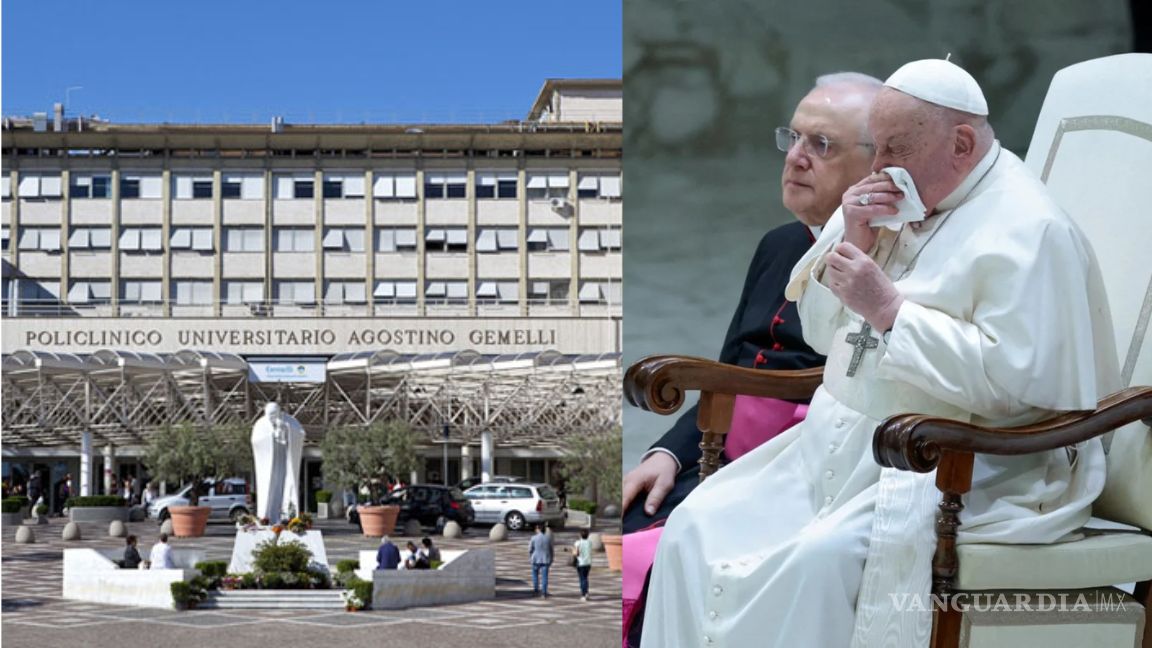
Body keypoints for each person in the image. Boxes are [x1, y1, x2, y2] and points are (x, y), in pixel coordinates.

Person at [641, 59, 1118, 648]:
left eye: (893, 147)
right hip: (832, 446)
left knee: (815, 564)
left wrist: (890, 311)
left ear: (961, 144)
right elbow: (820, 335)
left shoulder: (1031, 231)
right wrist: (853, 242)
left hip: (957, 463)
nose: (876, 166)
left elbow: (1019, 387)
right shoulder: (890, 194)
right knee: (694, 524)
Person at [623, 72, 882, 645]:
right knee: (628, 519)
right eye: (792, 138)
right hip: (718, 452)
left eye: (821, 145)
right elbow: (731, 367)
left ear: (876, 164)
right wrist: (669, 450)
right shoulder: (780, 244)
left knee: (670, 549)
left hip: (796, 469)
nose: (795, 158)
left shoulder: (889, 256)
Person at [528, 524, 554, 597]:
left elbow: (530, 548)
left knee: (535, 575)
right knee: (544, 576)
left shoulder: (533, 538)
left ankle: (536, 589)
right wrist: (551, 558)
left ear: (538, 529)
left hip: (536, 559)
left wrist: (531, 555)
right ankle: (544, 592)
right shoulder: (548, 538)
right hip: (546, 559)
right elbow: (551, 549)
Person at [572, 529, 593, 601]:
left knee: (582, 579)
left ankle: (584, 594)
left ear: (580, 535)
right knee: (586, 578)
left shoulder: (577, 543)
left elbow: (575, 553)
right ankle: (586, 592)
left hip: (580, 562)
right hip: (588, 562)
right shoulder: (589, 542)